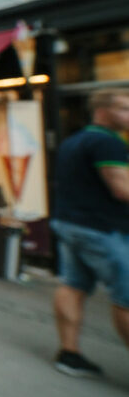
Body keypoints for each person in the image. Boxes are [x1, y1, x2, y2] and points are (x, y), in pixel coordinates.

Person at [50, 88, 129, 377]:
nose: (128, 115)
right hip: (102, 228)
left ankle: (69, 352)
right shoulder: (109, 143)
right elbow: (122, 188)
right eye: (124, 108)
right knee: (126, 295)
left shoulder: (74, 141)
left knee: (73, 285)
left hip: (70, 223)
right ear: (102, 110)